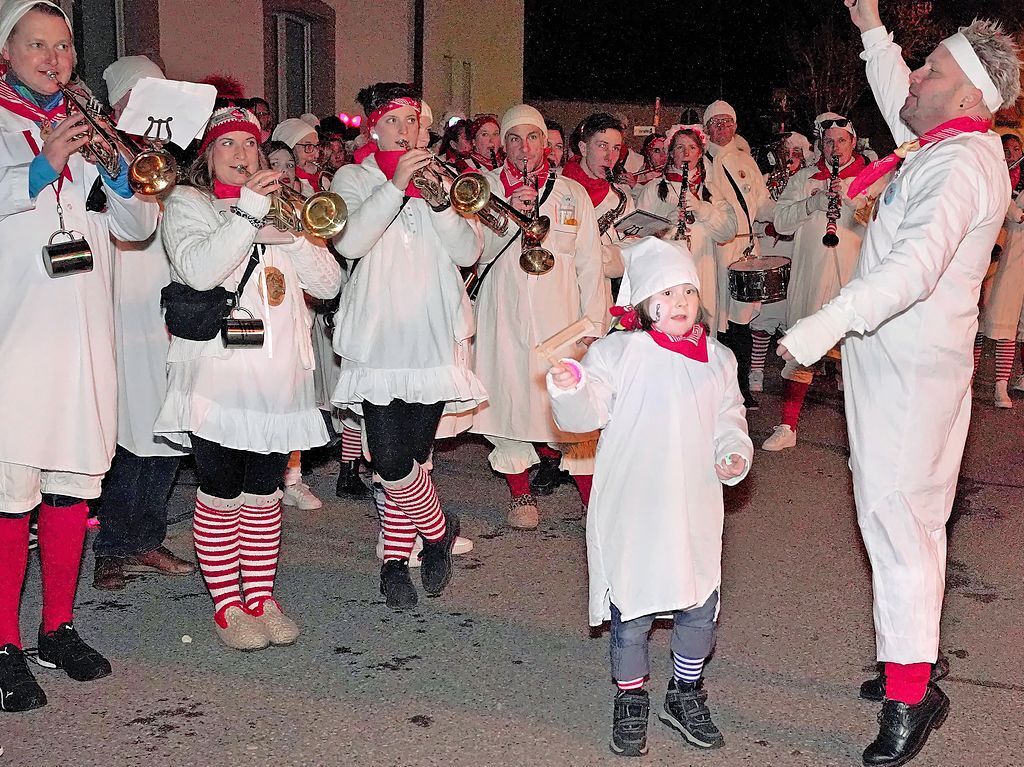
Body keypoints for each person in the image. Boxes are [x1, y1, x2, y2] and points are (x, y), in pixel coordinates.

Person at [780, 2, 1020, 763]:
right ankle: (906, 657)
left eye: (933, 70)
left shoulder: (955, 165)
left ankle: (911, 693)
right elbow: (898, 96)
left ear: (971, 96)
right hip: (900, 365)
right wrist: (871, 28)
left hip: (911, 374)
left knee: (900, 524)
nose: (916, 78)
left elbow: (913, 270)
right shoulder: (948, 140)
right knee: (895, 517)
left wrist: (824, 325)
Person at [0, 0, 158, 711]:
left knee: (71, 488)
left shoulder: (94, 130)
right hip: (17, 339)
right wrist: (42, 164)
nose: (52, 57)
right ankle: (2, 642)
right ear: (7, 51)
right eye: (36, 44)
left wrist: (119, 174)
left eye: (62, 46)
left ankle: (55, 627)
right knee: (9, 498)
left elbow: (139, 223)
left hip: (84, 341)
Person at [547, 237, 751, 758]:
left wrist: (733, 450)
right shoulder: (617, 353)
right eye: (666, 292)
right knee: (632, 608)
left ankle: (684, 692)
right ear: (643, 303)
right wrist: (570, 387)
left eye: (687, 290)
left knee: (698, 599)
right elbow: (586, 411)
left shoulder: (719, 358)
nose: (680, 301)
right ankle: (631, 695)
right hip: (636, 501)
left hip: (693, 501)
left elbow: (730, 415)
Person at [154, 106, 343, 650]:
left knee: (263, 489)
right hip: (218, 372)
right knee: (220, 487)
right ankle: (226, 604)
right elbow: (198, 269)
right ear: (208, 155)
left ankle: (260, 595)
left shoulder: (285, 208)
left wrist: (298, 234)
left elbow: (328, 283)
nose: (241, 154)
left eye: (249, 144)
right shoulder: (191, 204)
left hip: (279, 372)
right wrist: (249, 215)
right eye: (227, 144)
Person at [329, 82, 485, 609]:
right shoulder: (354, 177)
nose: (406, 131)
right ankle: (438, 533)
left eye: (413, 122)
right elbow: (349, 241)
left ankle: (395, 562)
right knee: (389, 461)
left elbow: (467, 252)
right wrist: (395, 186)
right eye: (394, 122)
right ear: (373, 127)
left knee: (414, 459)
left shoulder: (445, 179)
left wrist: (439, 201)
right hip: (379, 339)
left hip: (432, 336)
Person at [470, 104, 606, 529]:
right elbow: (473, 254)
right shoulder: (483, 189)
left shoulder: (571, 193)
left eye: (532, 138)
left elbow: (590, 263)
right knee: (508, 401)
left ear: (545, 143)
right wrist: (507, 213)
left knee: (570, 410)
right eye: (514, 139)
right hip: (503, 314)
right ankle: (519, 493)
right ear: (503, 145)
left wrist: (593, 326)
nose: (524, 147)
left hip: (560, 317)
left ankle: (594, 501)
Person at [91, 55, 195, 591]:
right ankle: (112, 546)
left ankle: (147, 538)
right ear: (119, 105)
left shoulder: (175, 158)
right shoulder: (100, 152)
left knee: (168, 430)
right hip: (120, 306)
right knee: (126, 435)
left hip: (166, 304)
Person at [762, 113, 886, 451]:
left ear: (853, 142)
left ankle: (864, 437)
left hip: (853, 277)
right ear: (821, 145)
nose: (835, 148)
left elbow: (880, 221)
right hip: (811, 277)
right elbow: (782, 222)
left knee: (856, 359)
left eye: (841, 141)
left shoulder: (872, 178)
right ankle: (788, 426)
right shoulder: (804, 178)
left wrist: (850, 198)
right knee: (801, 351)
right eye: (828, 141)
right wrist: (815, 202)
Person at [702, 100, 773, 409]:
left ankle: (741, 388)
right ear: (706, 129)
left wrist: (799, 208)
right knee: (713, 320)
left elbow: (764, 204)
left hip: (744, 248)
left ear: (735, 126)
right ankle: (712, 390)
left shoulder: (746, 162)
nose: (722, 127)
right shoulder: (699, 159)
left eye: (727, 121)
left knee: (742, 322)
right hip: (710, 252)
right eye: (716, 122)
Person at [637, 124, 737, 329]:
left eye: (692, 148)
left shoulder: (711, 190)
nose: (686, 153)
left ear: (700, 154)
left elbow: (728, 232)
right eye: (680, 148)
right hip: (666, 275)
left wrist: (704, 210)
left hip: (702, 273)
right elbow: (638, 237)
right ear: (671, 153)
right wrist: (665, 225)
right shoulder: (653, 189)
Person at [749, 130, 811, 392]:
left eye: (796, 154)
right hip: (770, 254)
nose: (791, 159)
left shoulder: (807, 182)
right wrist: (768, 228)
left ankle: (793, 374)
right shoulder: (764, 182)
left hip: (797, 254)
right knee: (764, 317)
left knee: (795, 318)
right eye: (786, 153)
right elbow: (754, 214)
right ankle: (756, 371)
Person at [562, 112, 634, 304]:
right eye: (602, 146)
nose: (610, 157)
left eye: (616, 148)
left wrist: (594, 255)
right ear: (583, 148)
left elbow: (630, 250)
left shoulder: (621, 197)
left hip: (599, 294)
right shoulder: (556, 189)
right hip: (559, 292)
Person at [975, 132, 1024, 407]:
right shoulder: (991, 176)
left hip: (1013, 260)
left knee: (1004, 321)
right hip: (987, 255)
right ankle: (966, 382)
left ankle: (1000, 387)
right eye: (1007, 150)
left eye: (1017, 149)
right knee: (977, 321)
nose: (1012, 155)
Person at [271, 117, 321, 194]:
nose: (317, 155)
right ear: (290, 148)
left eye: (317, 146)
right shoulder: (287, 183)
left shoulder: (323, 180)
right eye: (308, 146)